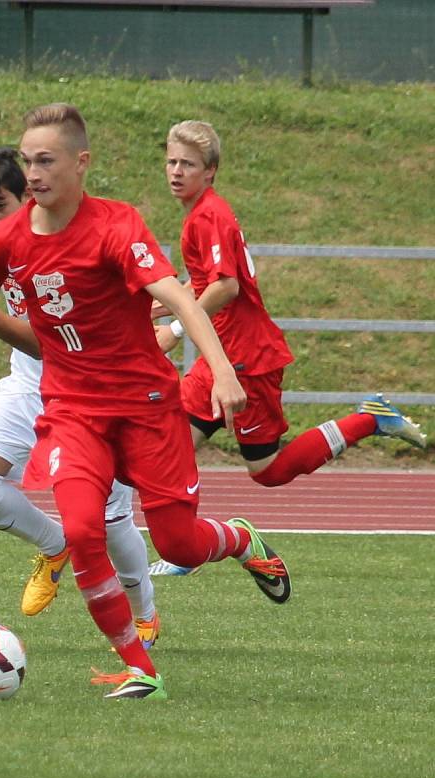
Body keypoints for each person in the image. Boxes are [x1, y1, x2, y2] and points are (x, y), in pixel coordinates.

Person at [0, 104, 291, 701]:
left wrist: (220, 369)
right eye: (28, 161)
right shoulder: (10, 236)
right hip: (72, 409)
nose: (33, 173)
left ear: (80, 163)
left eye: (45, 161)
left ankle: (241, 540)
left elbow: (180, 296)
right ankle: (141, 667)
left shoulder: (116, 226)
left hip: (144, 405)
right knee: (85, 530)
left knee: (177, 542)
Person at [150, 119, 426, 577]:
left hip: (246, 360)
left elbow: (226, 287)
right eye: (171, 161)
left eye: (188, 164)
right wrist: (162, 306)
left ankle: (369, 419)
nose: (176, 171)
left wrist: (176, 329)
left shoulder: (209, 216)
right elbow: (203, 282)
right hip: (222, 357)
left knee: (269, 470)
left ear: (211, 170)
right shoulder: (200, 214)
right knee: (173, 445)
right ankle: (187, 546)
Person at [0, 146, 160, 648]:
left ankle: (145, 614)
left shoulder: (79, 232)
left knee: (111, 519)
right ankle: (57, 548)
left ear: (31, 195)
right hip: (30, 383)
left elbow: (47, 337)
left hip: (94, 390)